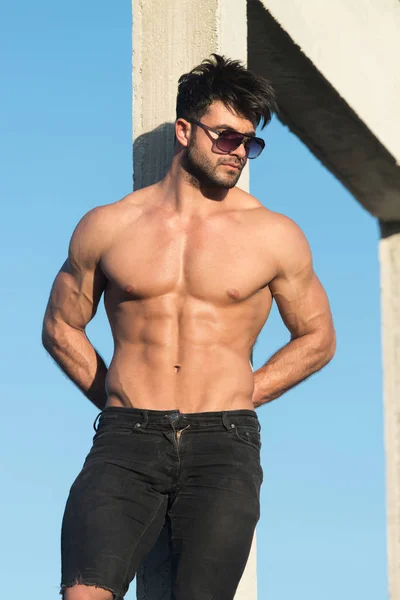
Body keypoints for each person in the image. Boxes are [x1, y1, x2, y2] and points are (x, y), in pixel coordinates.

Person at [42, 54, 336, 600]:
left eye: (251, 142)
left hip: (223, 445)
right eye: (226, 137)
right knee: (82, 593)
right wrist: (113, 395)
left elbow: (318, 337)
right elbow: (61, 326)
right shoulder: (109, 225)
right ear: (184, 130)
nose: (240, 154)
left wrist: (247, 391)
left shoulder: (273, 234)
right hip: (126, 442)